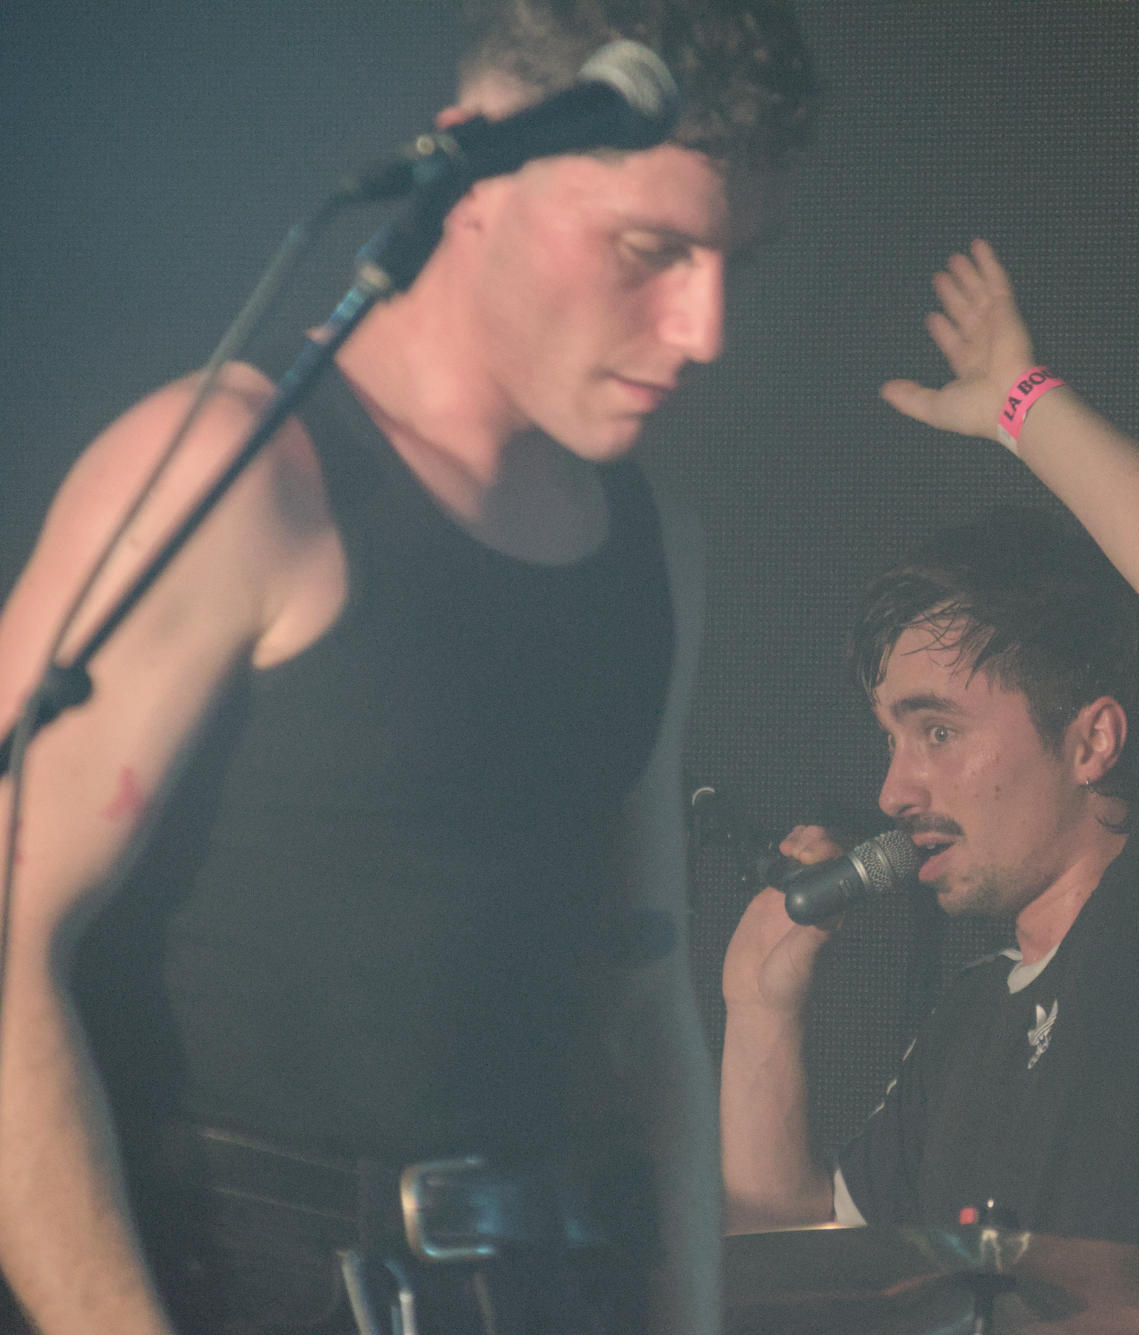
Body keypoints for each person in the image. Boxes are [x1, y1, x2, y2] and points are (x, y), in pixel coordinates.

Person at [0, 4, 812, 1332]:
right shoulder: (232, 476)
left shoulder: (655, 547)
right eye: (649, 250)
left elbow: (642, 988)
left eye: (736, 261)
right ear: (473, 170)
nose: (704, 324)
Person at [718, 241, 1139, 1281]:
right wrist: (759, 1005)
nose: (893, 789)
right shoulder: (963, 1027)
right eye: (891, 739)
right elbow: (791, 1271)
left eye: (937, 732)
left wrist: (1019, 403)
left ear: (1093, 739)